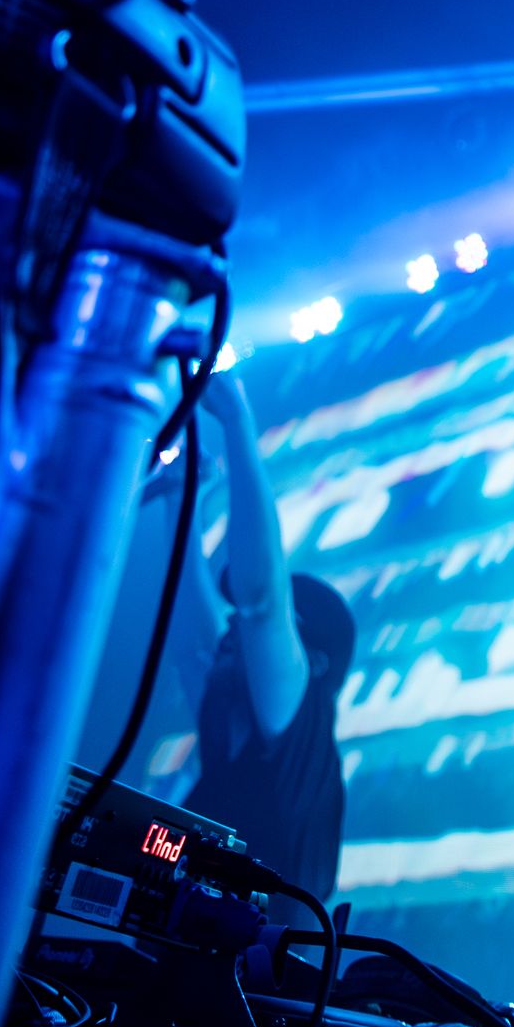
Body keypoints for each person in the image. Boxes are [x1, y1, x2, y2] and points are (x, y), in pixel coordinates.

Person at [165, 366, 354, 904]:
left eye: (276, 638)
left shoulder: (299, 725)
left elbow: (261, 604)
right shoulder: (230, 719)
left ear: (311, 662)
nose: (235, 633)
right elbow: (191, 643)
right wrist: (183, 501)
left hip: (262, 985)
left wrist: (236, 422)